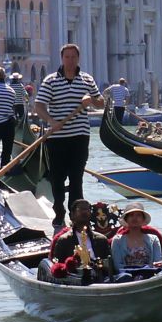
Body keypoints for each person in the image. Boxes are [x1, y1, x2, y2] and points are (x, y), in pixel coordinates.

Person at [31, 44, 101, 228]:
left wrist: (91, 100)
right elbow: (39, 106)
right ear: (62, 59)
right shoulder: (51, 81)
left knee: (76, 176)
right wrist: (51, 121)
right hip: (56, 138)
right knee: (57, 177)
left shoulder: (87, 80)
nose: (70, 61)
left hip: (80, 135)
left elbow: (101, 103)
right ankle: (59, 209)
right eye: (67, 57)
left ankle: (76, 213)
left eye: (73, 57)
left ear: (78, 58)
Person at [109, 203, 162, 273]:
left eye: (138, 215)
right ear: (126, 219)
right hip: (127, 278)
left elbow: (157, 263)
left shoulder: (153, 239)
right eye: (131, 215)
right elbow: (118, 266)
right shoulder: (117, 241)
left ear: (143, 219)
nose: (134, 218)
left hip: (149, 276)